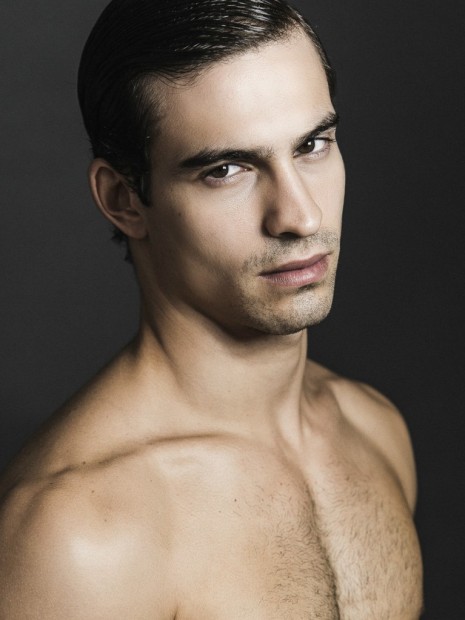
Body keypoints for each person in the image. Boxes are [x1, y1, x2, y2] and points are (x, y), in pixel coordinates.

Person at [0, 0, 423, 617]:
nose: (301, 216)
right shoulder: (76, 535)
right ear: (123, 200)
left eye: (312, 145)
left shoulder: (375, 431)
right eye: (226, 169)